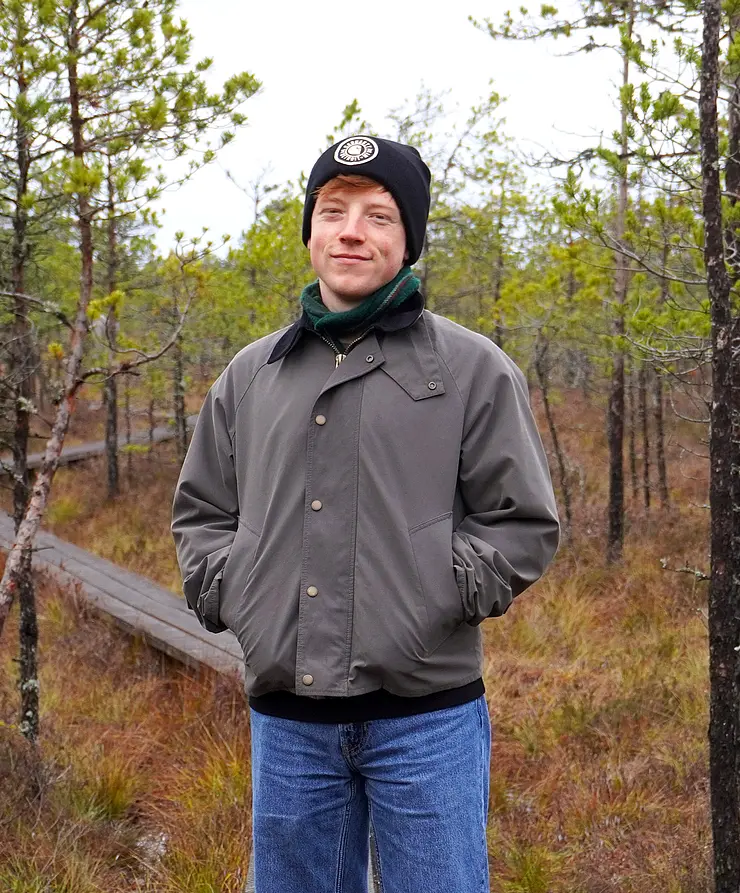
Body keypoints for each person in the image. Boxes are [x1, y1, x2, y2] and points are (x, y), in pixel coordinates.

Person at [171, 134, 560, 893]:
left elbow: (522, 523)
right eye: (333, 210)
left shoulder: (472, 369)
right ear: (311, 230)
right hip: (288, 725)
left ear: (409, 240)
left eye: (379, 215)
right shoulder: (252, 375)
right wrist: (236, 594)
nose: (352, 230)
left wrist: (432, 597)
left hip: (427, 721)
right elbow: (202, 512)